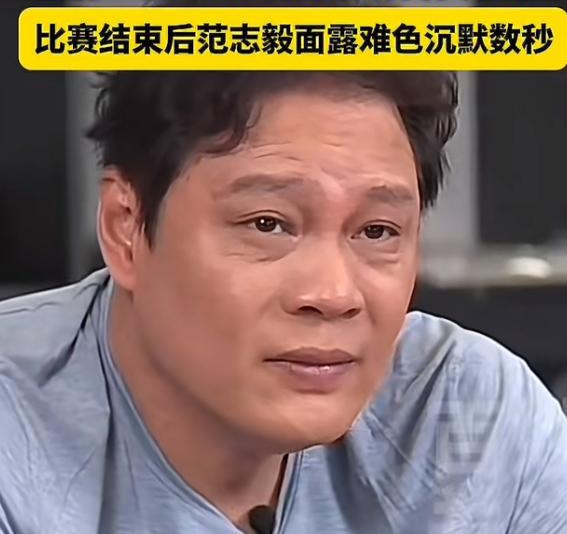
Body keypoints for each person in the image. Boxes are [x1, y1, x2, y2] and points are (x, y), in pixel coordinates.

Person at [0, 70, 566, 534]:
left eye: (376, 231)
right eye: (268, 224)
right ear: (126, 228)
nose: (333, 295)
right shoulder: (16, 435)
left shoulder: (470, 419)